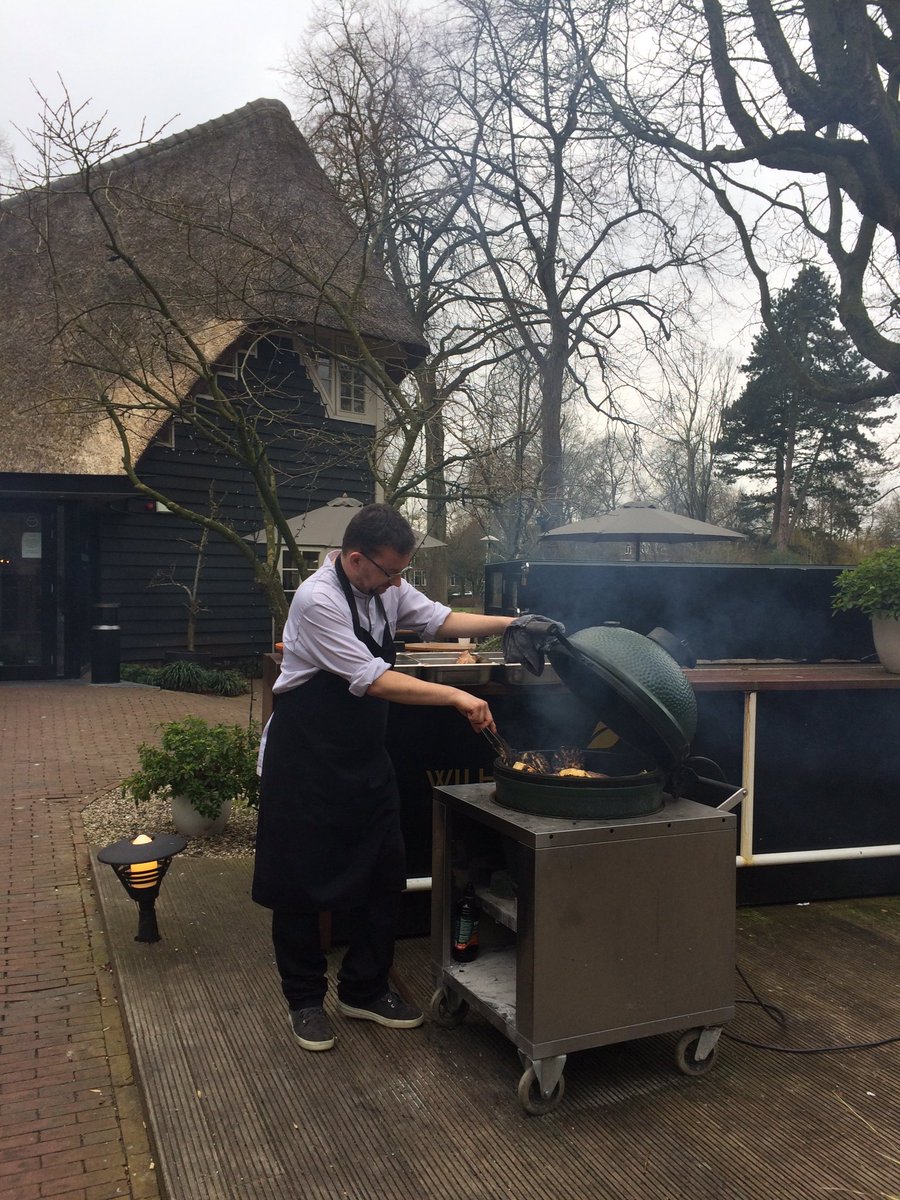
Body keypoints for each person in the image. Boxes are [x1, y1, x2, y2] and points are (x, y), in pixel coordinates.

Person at [253, 503, 518, 1052]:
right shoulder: (317, 599)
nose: (399, 582)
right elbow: (372, 679)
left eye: (402, 573)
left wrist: (513, 624)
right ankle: (304, 1001)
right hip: (304, 760)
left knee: (384, 870)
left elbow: (440, 619)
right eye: (391, 572)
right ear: (355, 559)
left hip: (362, 757)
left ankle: (364, 989)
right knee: (300, 882)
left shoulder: (384, 589)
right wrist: (456, 695)